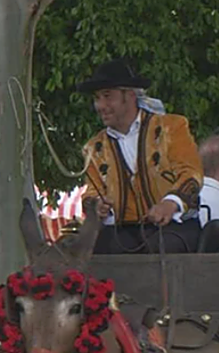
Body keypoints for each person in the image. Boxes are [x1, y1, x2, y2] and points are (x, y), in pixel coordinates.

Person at [78, 59, 203, 254]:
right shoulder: (95, 147)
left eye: (108, 96)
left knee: (162, 247)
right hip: (123, 230)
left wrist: (170, 203)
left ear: (129, 95)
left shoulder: (171, 127)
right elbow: (91, 192)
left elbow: (191, 174)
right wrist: (97, 206)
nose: (100, 105)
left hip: (175, 226)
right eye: (97, 98)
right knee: (96, 248)